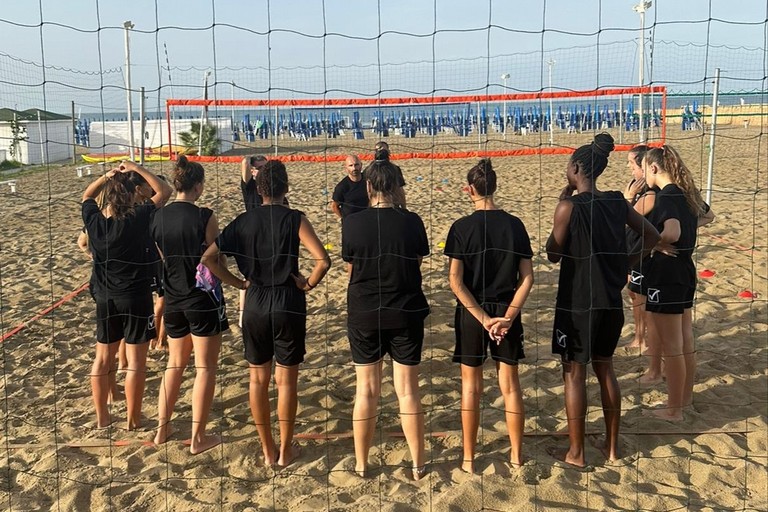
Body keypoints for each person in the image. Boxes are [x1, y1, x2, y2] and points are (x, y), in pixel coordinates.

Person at [202, 159, 331, 466]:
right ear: (286, 188)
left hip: (256, 299)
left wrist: (238, 283)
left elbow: (208, 258)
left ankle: (267, 449)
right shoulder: (294, 218)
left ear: (258, 190)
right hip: (288, 299)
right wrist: (309, 284)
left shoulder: (243, 221)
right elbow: (323, 260)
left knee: (258, 381)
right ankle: (287, 450)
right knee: (287, 382)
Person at [545, 133, 659, 467]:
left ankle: (576, 453)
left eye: (568, 166)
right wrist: (626, 262)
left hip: (577, 301)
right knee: (605, 369)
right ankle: (611, 448)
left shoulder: (570, 206)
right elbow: (651, 236)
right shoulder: (616, 202)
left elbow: (553, 253)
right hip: (610, 298)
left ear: (576, 168)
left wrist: (560, 206)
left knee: (574, 374)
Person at [444, 159, 534, 473]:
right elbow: (527, 278)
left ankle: (468, 458)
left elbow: (455, 282)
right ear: (495, 186)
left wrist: (484, 320)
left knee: (471, 387)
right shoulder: (515, 225)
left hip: (473, 313)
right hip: (506, 310)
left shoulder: (461, 227)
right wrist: (507, 318)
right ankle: (516, 455)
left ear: (469, 190)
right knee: (510, 385)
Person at [342, 160, 430, 480]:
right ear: (396, 187)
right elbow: (417, 262)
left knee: (366, 391)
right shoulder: (412, 221)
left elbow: (351, 268)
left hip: (364, 311)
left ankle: (362, 464)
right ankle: (419, 465)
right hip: (405, 310)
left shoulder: (352, 223)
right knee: (407, 391)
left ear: (368, 187)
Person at [82, 160, 173, 429]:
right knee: (136, 362)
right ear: (132, 194)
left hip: (104, 297)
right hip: (135, 296)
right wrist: (136, 168)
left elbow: (87, 195)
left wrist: (105, 177)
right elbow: (164, 191)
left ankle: (103, 418)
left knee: (102, 359)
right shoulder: (137, 217)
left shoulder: (94, 221)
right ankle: (133, 419)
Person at [150, 156, 228, 454]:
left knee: (174, 364)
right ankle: (198, 439)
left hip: (173, 297)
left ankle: (161, 430)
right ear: (198, 186)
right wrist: (234, 281)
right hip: (201, 298)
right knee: (205, 368)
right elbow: (215, 259)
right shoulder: (204, 215)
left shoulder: (157, 216)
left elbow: (162, 257)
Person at [641, 145, 714, 422]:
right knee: (685, 340)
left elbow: (672, 232)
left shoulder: (666, 197)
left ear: (654, 168)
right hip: (685, 269)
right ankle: (683, 399)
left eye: (646, 168)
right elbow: (708, 216)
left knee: (672, 345)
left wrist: (654, 242)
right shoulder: (686, 194)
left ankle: (674, 411)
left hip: (667, 273)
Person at [622, 145, 655, 353]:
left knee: (641, 297)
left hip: (642, 253)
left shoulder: (650, 193)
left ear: (644, 167)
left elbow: (624, 219)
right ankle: (638, 337)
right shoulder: (639, 188)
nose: (629, 167)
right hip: (632, 250)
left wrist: (628, 197)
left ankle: (643, 340)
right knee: (634, 295)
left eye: (632, 163)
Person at [331, 155, 367, 220]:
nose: (354, 168)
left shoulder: (368, 180)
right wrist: (345, 219)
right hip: (351, 220)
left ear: (361, 165)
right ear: (346, 168)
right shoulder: (342, 187)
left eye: (356, 165)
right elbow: (334, 206)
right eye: (351, 165)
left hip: (367, 218)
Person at [372, 141, 406, 208]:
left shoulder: (395, 169)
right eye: (378, 150)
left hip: (392, 204)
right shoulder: (370, 170)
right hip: (375, 205)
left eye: (383, 151)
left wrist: (404, 207)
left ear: (389, 152)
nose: (381, 152)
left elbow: (400, 190)